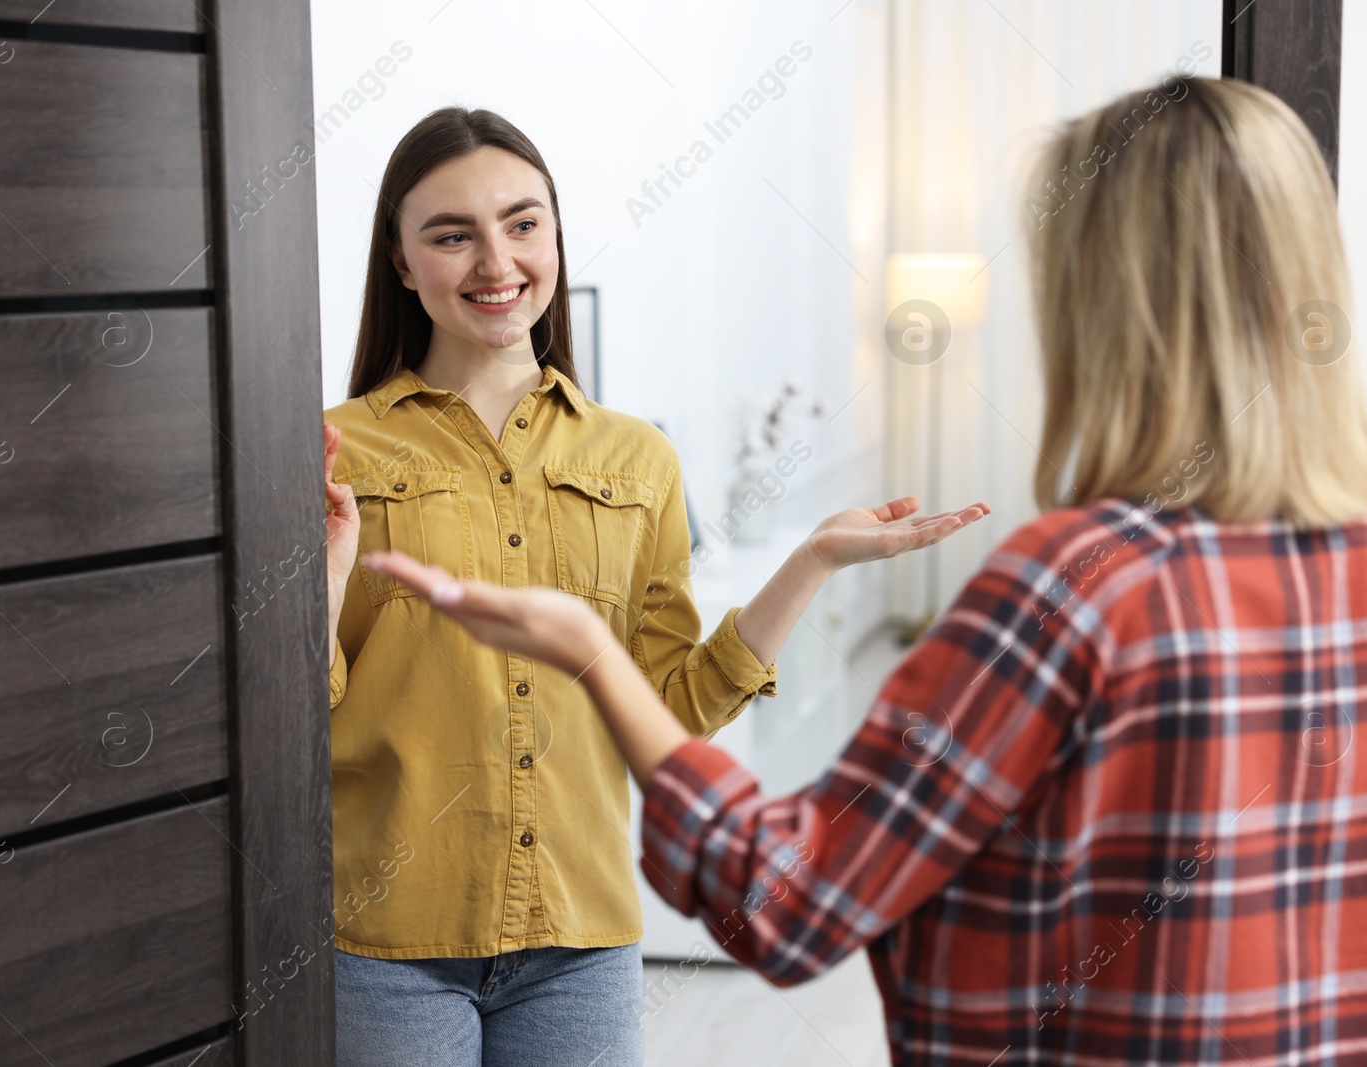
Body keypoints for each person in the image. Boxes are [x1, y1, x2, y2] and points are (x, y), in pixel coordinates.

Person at [362, 77, 1367, 1066]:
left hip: (582, 924)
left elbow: (787, 894)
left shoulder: (1079, 589)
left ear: (1103, 304)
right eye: (452, 232)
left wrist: (592, 655)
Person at [320, 106, 987, 1066]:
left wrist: (814, 559)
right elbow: (292, 721)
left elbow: (670, 707)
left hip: (581, 935)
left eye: (522, 223)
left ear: (554, 231)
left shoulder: (638, 457)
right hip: (391, 941)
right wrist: (322, 583)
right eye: (451, 234)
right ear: (400, 261)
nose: (495, 262)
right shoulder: (340, 450)